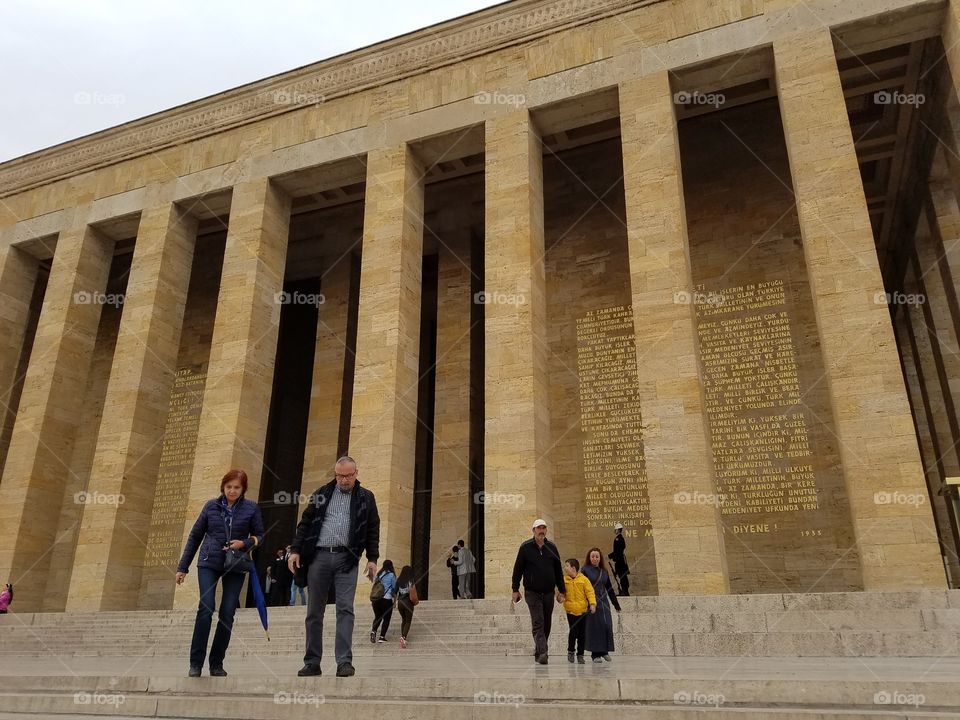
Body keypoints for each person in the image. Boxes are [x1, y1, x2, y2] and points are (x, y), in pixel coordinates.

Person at [288, 456, 380, 678]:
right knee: (314, 611)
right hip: (318, 557)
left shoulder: (366, 497)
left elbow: (373, 529)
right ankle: (312, 662)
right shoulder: (323, 492)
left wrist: (372, 558)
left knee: (345, 609)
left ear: (356, 473)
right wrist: (296, 550)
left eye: (348, 475)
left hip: (346, 558)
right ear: (335, 474)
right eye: (340, 475)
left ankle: (344, 662)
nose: (344, 480)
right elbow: (305, 522)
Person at [176, 469, 264, 678]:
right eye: (229, 487)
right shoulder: (211, 506)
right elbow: (195, 536)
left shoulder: (251, 508)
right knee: (206, 608)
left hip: (236, 562)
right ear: (223, 487)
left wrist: (245, 543)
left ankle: (216, 663)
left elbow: (260, 535)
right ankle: (196, 663)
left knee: (227, 613)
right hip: (209, 560)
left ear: (243, 489)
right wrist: (182, 567)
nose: (232, 491)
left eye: (237, 487)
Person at [511, 519, 565, 665]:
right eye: (538, 528)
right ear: (533, 530)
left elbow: (558, 571)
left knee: (546, 623)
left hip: (548, 592)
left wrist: (562, 590)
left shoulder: (552, 547)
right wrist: (515, 589)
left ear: (546, 530)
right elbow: (518, 569)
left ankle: (539, 650)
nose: (541, 530)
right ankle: (543, 652)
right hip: (532, 592)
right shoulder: (525, 547)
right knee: (538, 622)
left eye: (543, 528)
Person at [582, 547, 621, 663]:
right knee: (595, 627)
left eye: (597, 556)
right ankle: (595, 654)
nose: (595, 558)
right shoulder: (585, 570)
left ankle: (605, 651)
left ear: (600, 558)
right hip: (592, 603)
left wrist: (616, 605)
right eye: (592, 556)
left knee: (606, 625)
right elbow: (581, 587)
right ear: (589, 558)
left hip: (604, 603)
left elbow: (609, 589)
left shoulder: (604, 571)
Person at [561, 558, 595, 664]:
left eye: (567, 566)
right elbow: (560, 593)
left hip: (583, 611)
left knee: (582, 634)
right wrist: (559, 597)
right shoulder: (564, 580)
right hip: (570, 611)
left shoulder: (584, 579)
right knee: (573, 632)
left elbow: (590, 592)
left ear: (573, 568)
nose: (565, 568)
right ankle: (570, 651)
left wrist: (592, 604)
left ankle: (580, 654)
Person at [370, 559, 397, 643]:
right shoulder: (392, 575)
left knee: (378, 616)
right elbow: (394, 588)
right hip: (386, 599)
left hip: (376, 599)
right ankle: (382, 637)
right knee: (386, 618)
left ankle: (373, 631)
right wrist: (395, 600)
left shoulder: (379, 574)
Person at [395, 565, 418, 648]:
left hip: (400, 603)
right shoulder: (410, 581)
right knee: (408, 621)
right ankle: (403, 637)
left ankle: (403, 636)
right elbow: (413, 592)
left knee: (404, 620)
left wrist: (394, 603)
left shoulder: (398, 580)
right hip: (408, 602)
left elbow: (395, 592)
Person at [609, 522, 630, 596]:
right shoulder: (620, 538)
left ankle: (625, 591)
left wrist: (610, 556)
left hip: (620, 561)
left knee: (622, 576)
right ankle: (625, 591)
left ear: (618, 530)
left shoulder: (618, 539)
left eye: (615, 529)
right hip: (620, 560)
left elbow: (617, 551)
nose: (615, 531)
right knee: (622, 576)